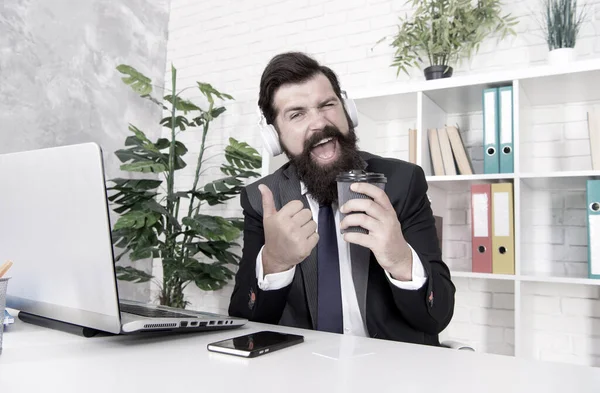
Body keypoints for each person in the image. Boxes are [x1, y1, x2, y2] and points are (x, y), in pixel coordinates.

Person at [228, 51, 455, 346]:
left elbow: (437, 316)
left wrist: (400, 259)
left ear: (347, 111)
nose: (320, 123)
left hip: (390, 370)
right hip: (302, 371)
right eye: (297, 114)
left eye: (327, 105)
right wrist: (274, 262)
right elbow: (245, 322)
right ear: (274, 136)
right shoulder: (262, 200)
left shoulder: (402, 182)